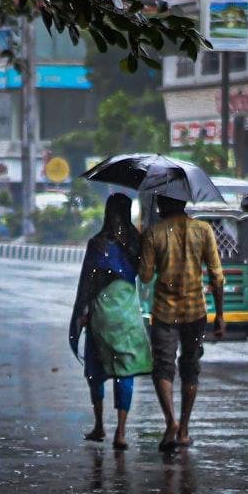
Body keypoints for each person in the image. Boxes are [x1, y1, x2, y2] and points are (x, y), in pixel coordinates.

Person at [138, 195, 225, 452]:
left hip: (165, 312)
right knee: (190, 367)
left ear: (162, 206)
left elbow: (144, 276)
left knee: (163, 368)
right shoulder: (203, 229)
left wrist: (141, 249)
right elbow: (216, 275)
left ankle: (171, 423)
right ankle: (184, 429)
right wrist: (220, 315)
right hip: (195, 312)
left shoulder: (154, 233)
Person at [69, 193, 151, 450]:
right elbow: (146, 275)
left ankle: (99, 426)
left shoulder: (98, 244)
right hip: (127, 313)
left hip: (102, 313)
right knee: (124, 372)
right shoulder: (137, 243)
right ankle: (121, 432)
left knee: (96, 369)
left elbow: (87, 283)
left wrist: (82, 314)